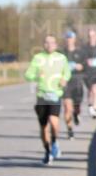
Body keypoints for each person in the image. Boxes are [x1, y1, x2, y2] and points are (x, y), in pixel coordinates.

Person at [24, 35, 70, 165]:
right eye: (47, 42)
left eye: (52, 42)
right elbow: (28, 75)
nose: (49, 45)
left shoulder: (61, 58)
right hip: (42, 96)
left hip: (55, 95)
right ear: (43, 44)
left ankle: (55, 141)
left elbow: (67, 72)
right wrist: (36, 75)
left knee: (54, 121)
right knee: (43, 127)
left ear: (56, 45)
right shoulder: (38, 58)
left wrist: (64, 79)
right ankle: (47, 151)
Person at [61, 31, 87, 139]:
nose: (69, 40)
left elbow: (86, 66)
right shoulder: (61, 53)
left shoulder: (80, 53)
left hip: (77, 82)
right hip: (66, 83)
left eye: (71, 38)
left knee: (76, 107)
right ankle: (70, 129)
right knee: (67, 107)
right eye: (67, 38)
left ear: (74, 40)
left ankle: (76, 114)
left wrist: (81, 66)